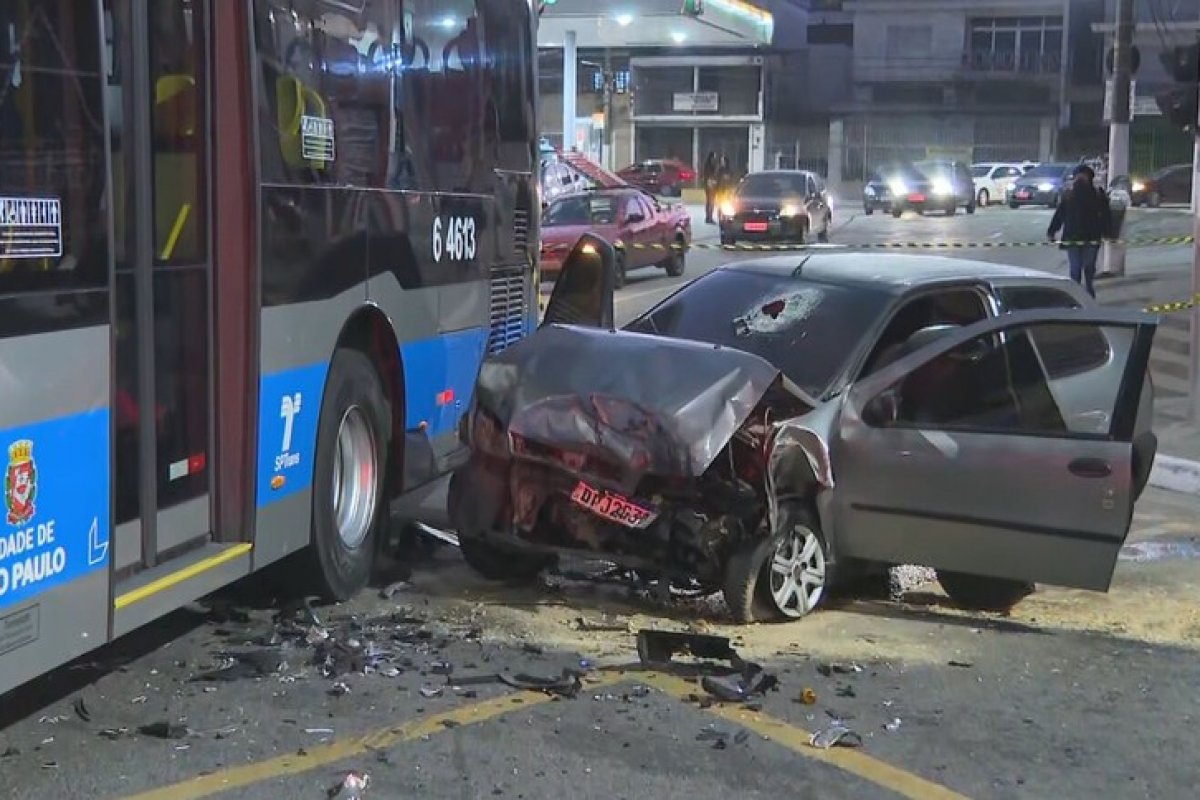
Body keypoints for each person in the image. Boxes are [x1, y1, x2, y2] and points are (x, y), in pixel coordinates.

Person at [1047, 165, 1112, 298]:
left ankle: (1088, 293)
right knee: (1075, 270)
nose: (1080, 179)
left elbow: (1106, 215)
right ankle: (1076, 296)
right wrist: (1052, 231)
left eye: (1083, 176)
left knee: (1089, 268)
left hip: (1091, 238)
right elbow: (1060, 215)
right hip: (1073, 238)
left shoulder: (1098, 195)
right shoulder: (1068, 195)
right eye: (1078, 176)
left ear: (1090, 178)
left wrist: (1108, 233)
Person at [702, 150, 720, 223]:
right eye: (714, 157)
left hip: (709, 185)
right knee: (710, 202)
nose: (715, 159)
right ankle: (709, 217)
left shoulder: (707, 165)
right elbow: (712, 175)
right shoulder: (711, 166)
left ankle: (708, 217)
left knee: (709, 202)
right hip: (711, 185)